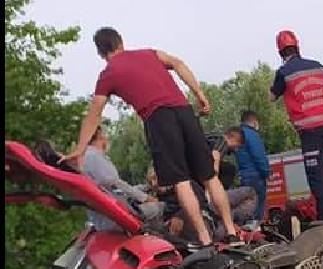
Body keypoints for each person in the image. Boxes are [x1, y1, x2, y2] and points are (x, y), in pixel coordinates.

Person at [61, 27, 239, 250]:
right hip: (184, 111)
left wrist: (79, 149)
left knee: (181, 181)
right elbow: (178, 63)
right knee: (210, 177)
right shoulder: (149, 53)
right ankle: (232, 232)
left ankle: (205, 239)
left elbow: (94, 112)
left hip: (158, 118)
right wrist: (199, 94)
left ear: (100, 53)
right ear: (121, 42)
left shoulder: (108, 74)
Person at [270, 29, 323, 221]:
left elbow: (271, 97)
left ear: (280, 52)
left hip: (309, 130)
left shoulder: (284, 72)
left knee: (316, 172)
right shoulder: (317, 66)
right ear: (297, 46)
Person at [81, 125, 164, 228]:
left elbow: (115, 190)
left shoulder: (86, 157)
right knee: (160, 207)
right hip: (115, 217)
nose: (107, 137)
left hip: (103, 215)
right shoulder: (94, 156)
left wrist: (145, 188)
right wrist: (146, 198)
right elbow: (117, 185)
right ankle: (160, 239)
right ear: (99, 135)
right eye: (105, 134)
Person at [234, 110, 270, 221]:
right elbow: (258, 156)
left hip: (244, 176)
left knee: (247, 208)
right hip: (256, 176)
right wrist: (267, 172)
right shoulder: (252, 134)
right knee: (257, 210)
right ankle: (255, 232)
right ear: (254, 121)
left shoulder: (238, 135)